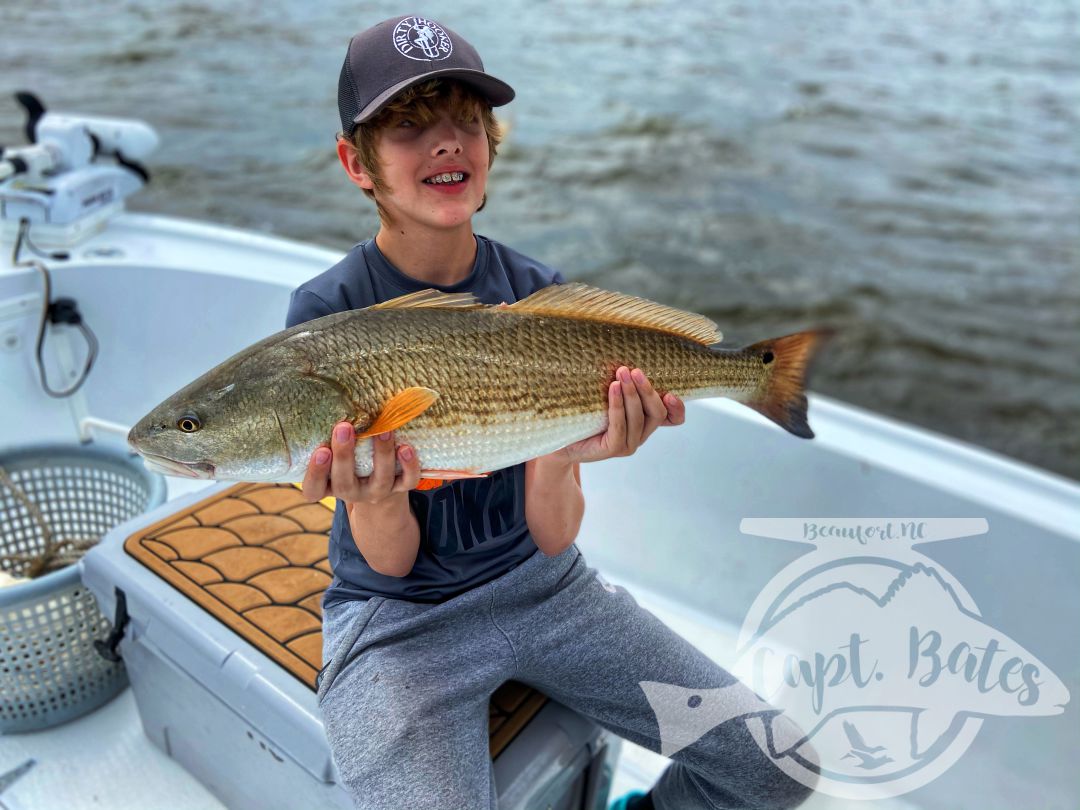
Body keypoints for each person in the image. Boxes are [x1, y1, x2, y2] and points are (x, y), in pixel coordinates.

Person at [286, 15, 814, 810]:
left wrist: (569, 447)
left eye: (467, 120)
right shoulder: (328, 313)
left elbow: (553, 536)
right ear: (354, 163)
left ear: (493, 145)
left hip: (545, 587)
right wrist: (376, 492)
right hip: (399, 621)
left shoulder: (541, 293)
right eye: (408, 124)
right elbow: (388, 565)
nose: (446, 142)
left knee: (779, 764)